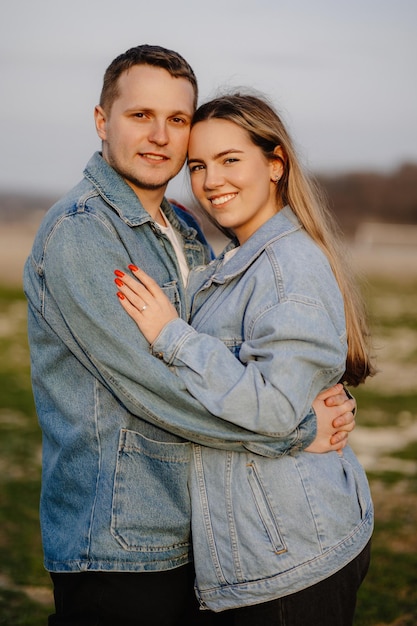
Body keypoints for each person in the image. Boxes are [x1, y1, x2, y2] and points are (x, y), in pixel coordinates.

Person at [23, 45, 356, 626]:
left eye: (176, 119)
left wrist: (308, 384)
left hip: (200, 532)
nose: (159, 136)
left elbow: (224, 355)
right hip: (121, 542)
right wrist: (296, 428)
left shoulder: (184, 229)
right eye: (139, 116)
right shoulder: (82, 235)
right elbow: (155, 389)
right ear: (103, 121)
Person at [114, 92, 375, 626]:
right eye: (198, 166)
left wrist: (172, 336)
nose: (212, 181)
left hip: (290, 559)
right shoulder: (240, 259)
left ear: (275, 164)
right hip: (269, 547)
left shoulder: (286, 267)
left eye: (231, 160)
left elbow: (276, 409)